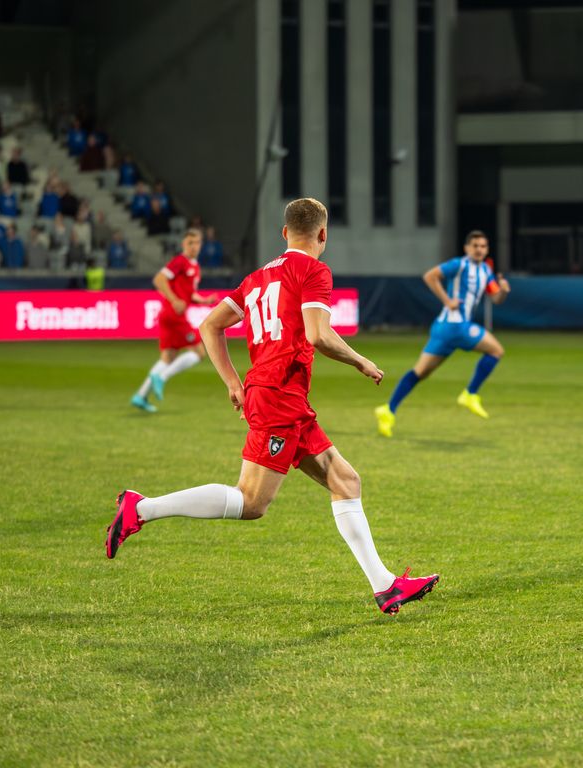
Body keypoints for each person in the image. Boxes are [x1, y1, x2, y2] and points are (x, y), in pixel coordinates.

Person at [105, 197, 439, 616]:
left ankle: (386, 586)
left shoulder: (258, 277)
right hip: (279, 396)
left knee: (346, 482)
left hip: (281, 395)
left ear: (284, 233)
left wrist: (233, 381)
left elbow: (210, 325)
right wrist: (360, 360)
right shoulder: (314, 270)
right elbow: (318, 334)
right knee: (250, 502)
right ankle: (142, 508)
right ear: (323, 234)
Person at [375, 230, 511, 438]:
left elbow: (496, 299)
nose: (479, 249)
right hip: (456, 326)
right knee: (496, 351)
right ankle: (470, 393)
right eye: (475, 245)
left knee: (420, 372)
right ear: (467, 248)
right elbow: (430, 276)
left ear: (487, 249)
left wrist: (503, 291)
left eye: (483, 246)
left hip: (444, 328)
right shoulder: (459, 264)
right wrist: (448, 301)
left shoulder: (486, 270)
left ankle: (388, 410)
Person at [130, 229, 218, 413]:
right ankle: (162, 377)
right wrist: (174, 300)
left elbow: (188, 293)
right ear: (183, 244)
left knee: (168, 357)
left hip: (169, 315)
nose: (193, 246)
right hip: (174, 314)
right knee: (199, 352)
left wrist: (204, 300)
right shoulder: (180, 262)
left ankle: (141, 396)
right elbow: (159, 279)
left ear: (201, 245)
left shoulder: (194, 267)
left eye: (196, 243)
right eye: (190, 243)